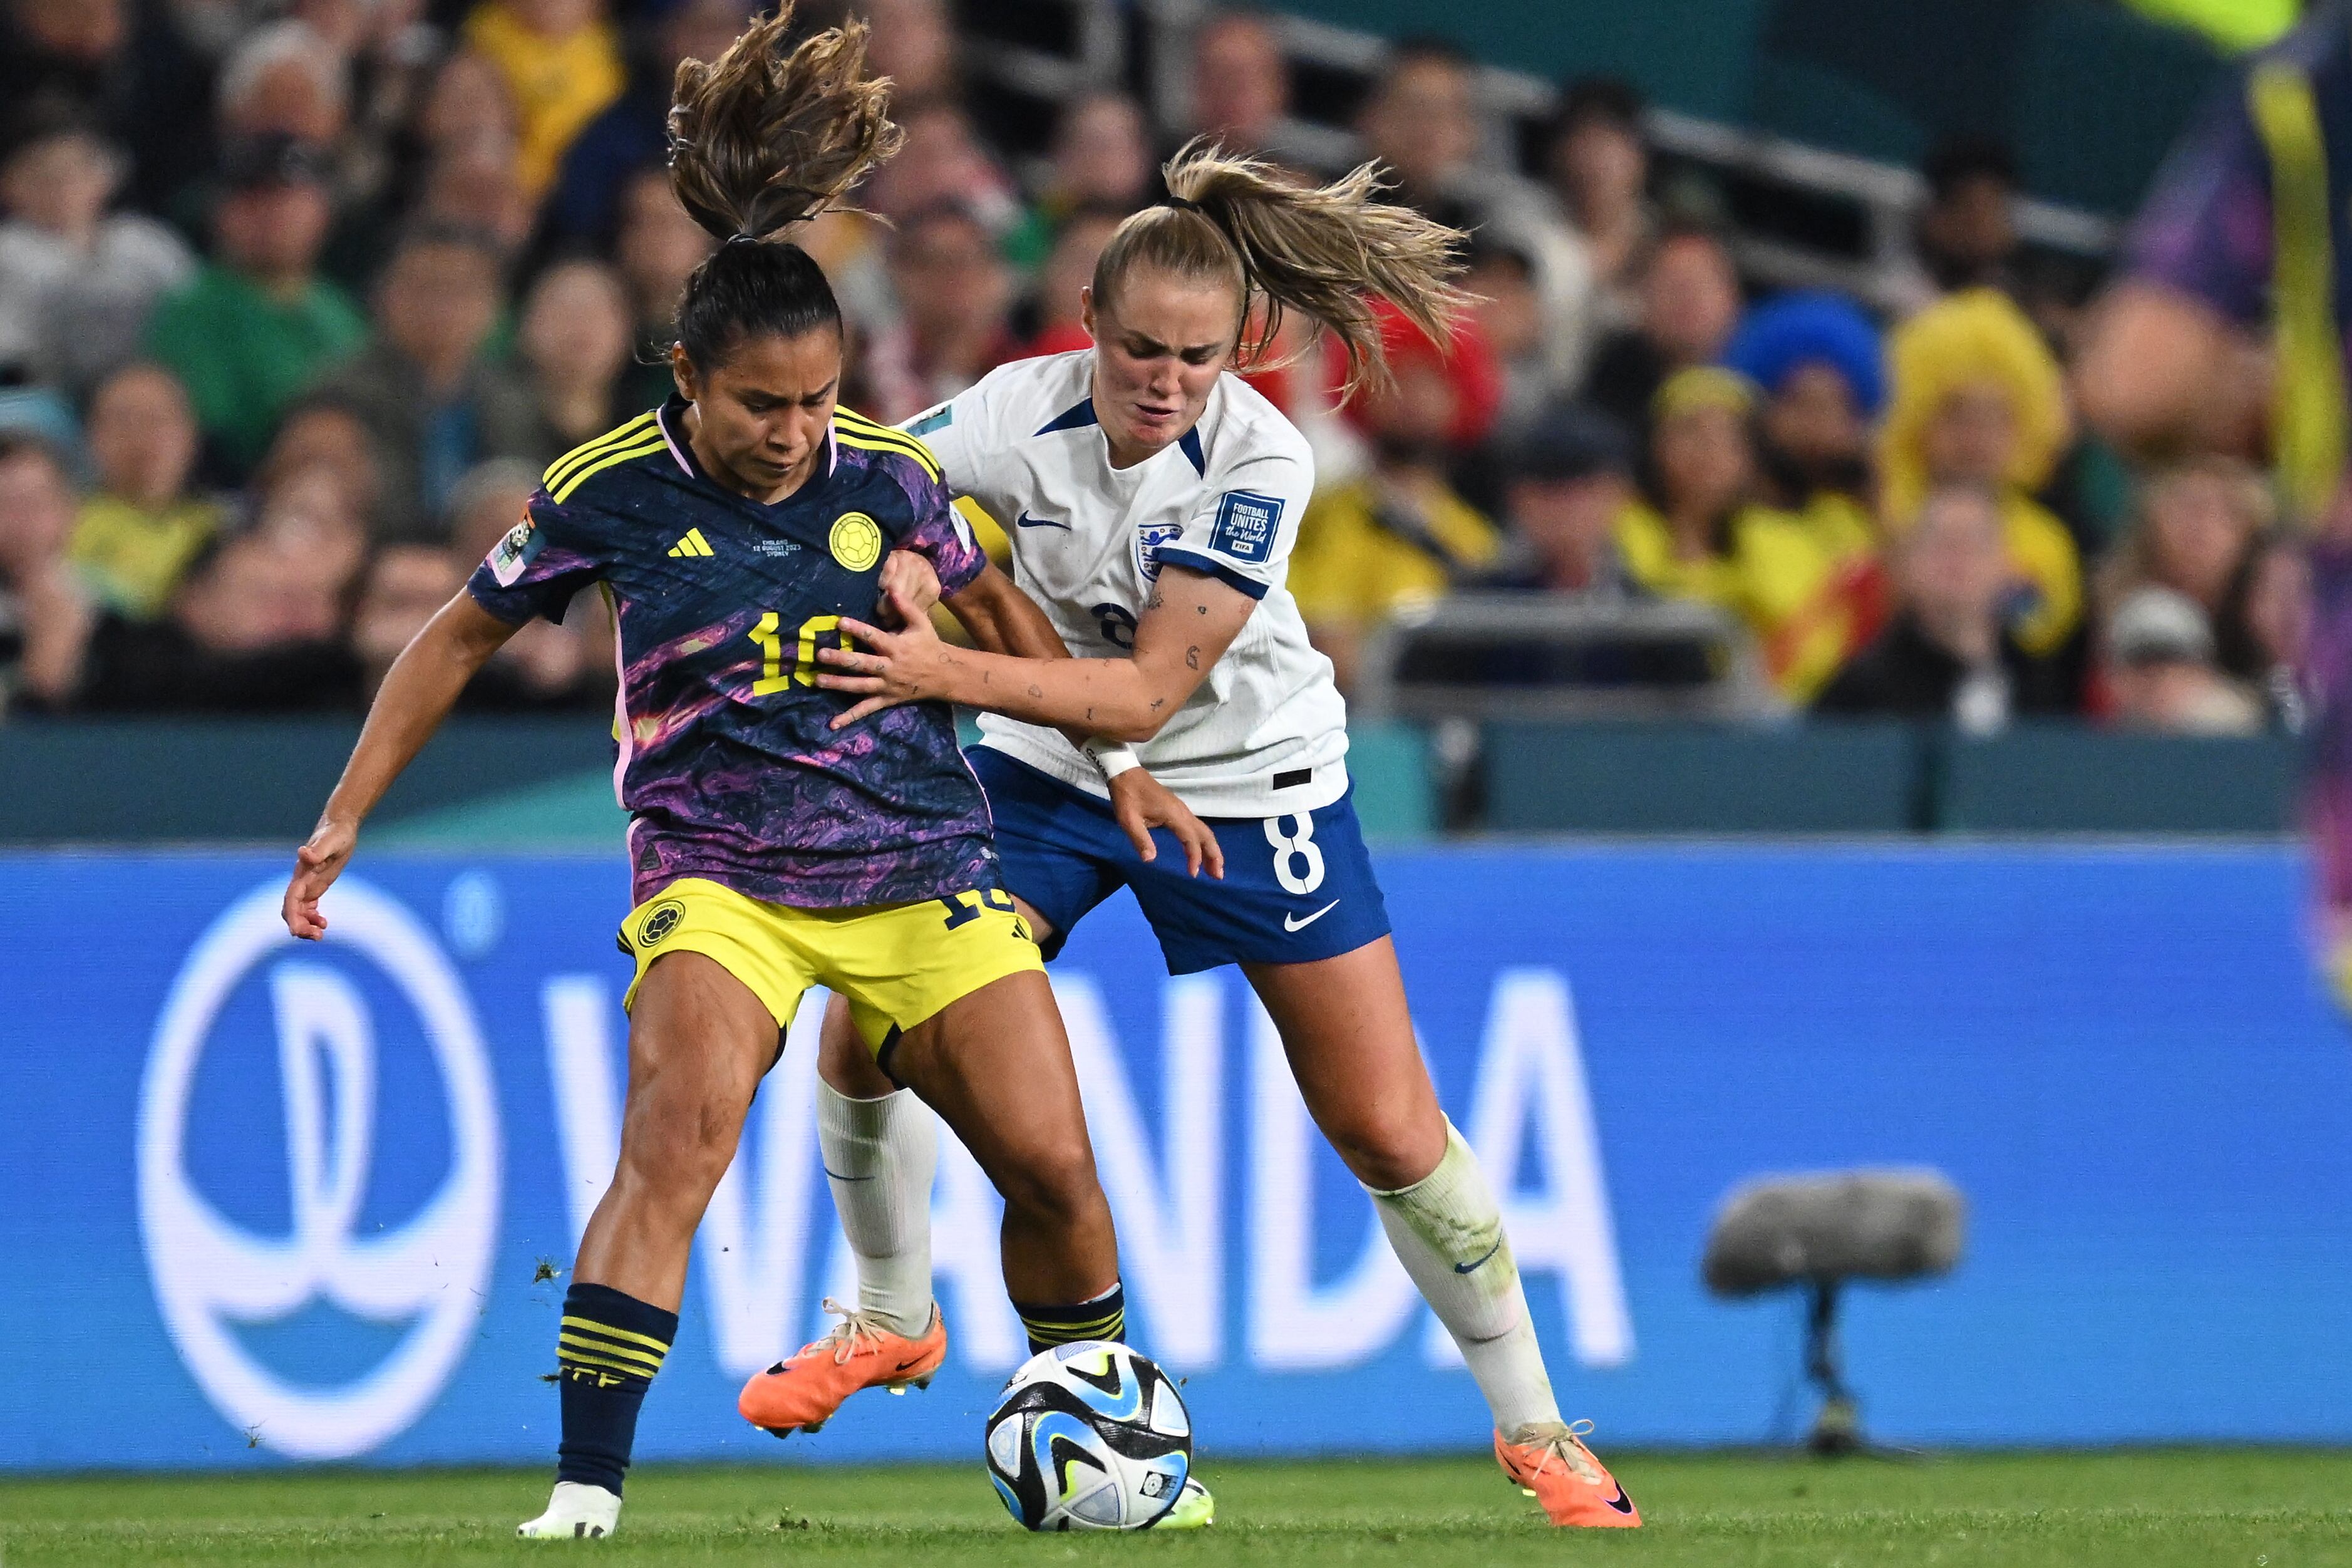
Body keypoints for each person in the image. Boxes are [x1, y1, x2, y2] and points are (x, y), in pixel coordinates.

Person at [275, 11, 1212, 1542]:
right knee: (680, 1136)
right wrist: (344, 813)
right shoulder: (606, 492)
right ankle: (587, 1486)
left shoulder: (891, 478)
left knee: (1054, 1166)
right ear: (688, 376)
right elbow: (456, 636)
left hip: (920, 863)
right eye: (762, 404)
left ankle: (1113, 1455)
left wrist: (1116, 761)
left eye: (817, 398)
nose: (793, 434)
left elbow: (998, 615)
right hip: (719, 875)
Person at [798, 140, 1642, 1531]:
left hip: (1254, 782)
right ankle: (891, 1312)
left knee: (1386, 1126)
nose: (1166, 379)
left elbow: (1145, 693)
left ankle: (1537, 1426)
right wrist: (895, 541)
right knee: (872, 1015)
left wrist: (941, 663)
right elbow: (860, 477)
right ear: (1088, 317)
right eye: (1140, 347)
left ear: (1239, 346)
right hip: (1050, 765)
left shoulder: (1260, 460)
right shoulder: (1012, 409)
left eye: (1198, 355)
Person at [144, 133, 368, 480]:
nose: (270, 215)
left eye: (285, 199)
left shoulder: (339, 310)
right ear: (221, 213)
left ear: (322, 210)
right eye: (252, 200)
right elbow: (220, 438)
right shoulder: (193, 312)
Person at [317, 222, 539, 538]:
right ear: (382, 296)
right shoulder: (340, 398)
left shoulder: (512, 398)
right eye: (424, 287)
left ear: (494, 306)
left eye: (460, 290)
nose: (441, 306)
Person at [1813, 482, 2071, 727]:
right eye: (1940, 543)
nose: (1958, 557)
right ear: (1906, 567)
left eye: (1975, 542)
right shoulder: (1860, 693)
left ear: (2007, 566)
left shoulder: (2042, 689)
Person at [68, 361, 224, 617]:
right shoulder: (63, 524)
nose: (141, 436)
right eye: (123, 421)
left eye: (157, 419)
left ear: (191, 433)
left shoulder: (225, 529)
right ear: (91, 436)